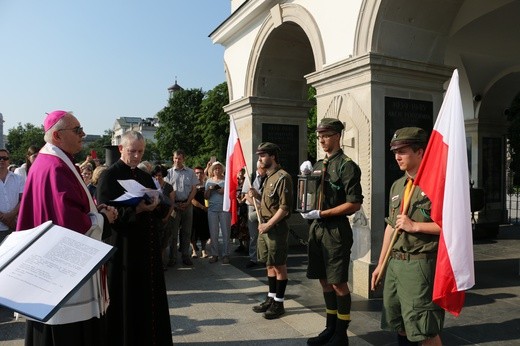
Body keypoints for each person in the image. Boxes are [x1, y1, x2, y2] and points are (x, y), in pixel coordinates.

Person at [16, 110, 118, 346]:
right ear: (58, 136)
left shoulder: (51, 161)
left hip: (48, 266)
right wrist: (103, 217)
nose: (83, 134)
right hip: (62, 272)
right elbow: (69, 222)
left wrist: (93, 209)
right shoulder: (55, 167)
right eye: (77, 130)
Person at [96, 131, 173, 346]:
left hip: (147, 249)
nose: (137, 156)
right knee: (126, 300)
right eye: (132, 151)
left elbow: (158, 209)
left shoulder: (144, 175)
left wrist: (159, 203)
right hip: (124, 249)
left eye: (140, 151)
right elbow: (107, 214)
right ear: (121, 149)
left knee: (148, 299)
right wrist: (137, 209)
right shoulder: (109, 176)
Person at [370, 127, 443, 346]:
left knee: (423, 329)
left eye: (403, 151)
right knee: (399, 324)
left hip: (419, 266)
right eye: (394, 151)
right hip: (395, 263)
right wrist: (380, 263)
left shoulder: (437, 184)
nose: (397, 156)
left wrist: (415, 226)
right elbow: (391, 227)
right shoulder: (398, 185)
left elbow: (453, 227)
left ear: (420, 152)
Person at [300, 118, 363, 345]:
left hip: (335, 230)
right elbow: (309, 196)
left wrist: (323, 214)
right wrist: (305, 181)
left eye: (326, 135)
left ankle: (341, 333)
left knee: (338, 283)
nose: (322, 140)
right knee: (324, 280)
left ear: (337, 135)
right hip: (317, 230)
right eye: (320, 136)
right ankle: (329, 327)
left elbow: (354, 203)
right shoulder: (318, 165)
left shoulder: (346, 166)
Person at [249, 142, 293, 320]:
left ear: (273, 156)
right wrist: (256, 196)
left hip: (275, 228)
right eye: (259, 155)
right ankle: (271, 297)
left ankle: (279, 303)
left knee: (279, 264)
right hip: (265, 225)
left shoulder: (283, 177)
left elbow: (284, 208)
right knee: (269, 263)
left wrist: (268, 225)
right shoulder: (268, 177)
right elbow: (268, 203)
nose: (259, 158)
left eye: (263, 155)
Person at [165, 149, 198, 266]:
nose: (177, 160)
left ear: (184, 159)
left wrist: (188, 202)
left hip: (187, 205)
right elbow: (166, 190)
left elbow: (194, 189)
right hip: (174, 207)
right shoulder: (168, 173)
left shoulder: (190, 172)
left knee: (186, 232)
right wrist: (173, 204)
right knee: (173, 233)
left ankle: (185, 255)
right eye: (175, 158)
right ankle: (172, 257)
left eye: (179, 158)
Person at [204, 161, 231, 264]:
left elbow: (231, 194)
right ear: (212, 170)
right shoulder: (209, 181)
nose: (217, 170)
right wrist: (210, 189)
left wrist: (224, 190)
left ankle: (226, 254)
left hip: (224, 209)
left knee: (225, 233)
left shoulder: (226, 181)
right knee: (213, 233)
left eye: (219, 168)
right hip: (212, 209)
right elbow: (205, 196)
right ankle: (214, 254)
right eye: (215, 168)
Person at [242, 161, 267, 268]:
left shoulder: (269, 177)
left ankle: (265, 257)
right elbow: (246, 195)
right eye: (262, 167)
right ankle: (253, 258)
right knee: (253, 236)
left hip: (265, 209)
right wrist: (256, 205)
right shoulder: (250, 177)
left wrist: (263, 207)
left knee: (265, 234)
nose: (263, 170)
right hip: (253, 208)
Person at [152, 164, 176, 269]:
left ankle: (162, 263)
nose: (158, 177)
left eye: (160, 175)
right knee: (155, 241)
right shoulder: (152, 185)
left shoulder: (169, 186)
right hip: (155, 217)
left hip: (166, 216)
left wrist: (167, 217)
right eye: (156, 175)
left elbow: (172, 203)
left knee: (164, 241)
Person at [0, 149, 24, 243]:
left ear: (8, 161)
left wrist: (12, 214)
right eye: (0, 158)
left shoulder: (18, 179)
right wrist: (6, 219)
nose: (2, 160)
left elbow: (23, 199)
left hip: (15, 226)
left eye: (5, 158)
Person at [190, 166, 210, 258]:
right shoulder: (191, 185)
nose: (199, 175)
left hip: (205, 211)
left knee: (204, 231)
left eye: (201, 173)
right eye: (197, 173)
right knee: (193, 231)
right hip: (195, 210)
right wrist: (202, 207)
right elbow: (192, 200)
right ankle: (194, 250)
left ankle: (203, 250)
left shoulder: (206, 184)